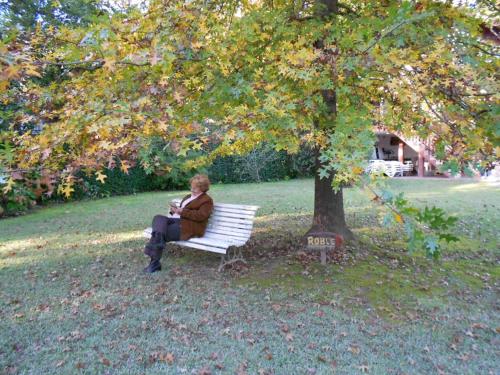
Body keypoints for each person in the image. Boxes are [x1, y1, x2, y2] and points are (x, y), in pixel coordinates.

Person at [143, 174, 214, 273]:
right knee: (158, 218)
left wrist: (182, 212)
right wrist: (174, 210)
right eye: (191, 187)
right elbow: (181, 211)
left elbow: (201, 216)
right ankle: (156, 257)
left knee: (160, 232)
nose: (192, 190)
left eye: (195, 188)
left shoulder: (207, 200)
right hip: (178, 221)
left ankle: (154, 263)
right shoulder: (188, 197)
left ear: (203, 188)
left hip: (190, 227)